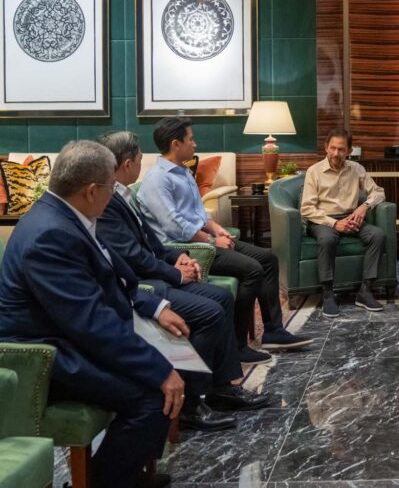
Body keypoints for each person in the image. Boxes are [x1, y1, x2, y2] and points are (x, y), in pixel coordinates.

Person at [0, 141, 186, 488]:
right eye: (111, 187)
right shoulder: (51, 235)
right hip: (44, 355)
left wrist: (153, 308)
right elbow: (90, 323)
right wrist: (159, 370)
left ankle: (126, 475)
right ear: (91, 191)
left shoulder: (67, 215)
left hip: (71, 336)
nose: (113, 195)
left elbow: (116, 279)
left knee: (169, 364)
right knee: (154, 396)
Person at [96, 131, 272, 430]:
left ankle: (222, 389)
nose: (142, 162)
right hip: (144, 284)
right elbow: (132, 256)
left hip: (157, 271)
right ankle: (190, 404)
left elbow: (150, 242)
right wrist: (175, 272)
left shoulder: (123, 194)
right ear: (127, 164)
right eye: (139, 158)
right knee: (209, 312)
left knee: (222, 297)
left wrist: (177, 257)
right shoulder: (108, 201)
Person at [136, 117, 312, 363]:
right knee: (252, 269)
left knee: (268, 258)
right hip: (186, 249)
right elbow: (174, 225)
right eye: (190, 139)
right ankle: (237, 346)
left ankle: (273, 331)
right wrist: (211, 240)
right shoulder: (158, 179)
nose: (195, 144)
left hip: (202, 239)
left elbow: (198, 213)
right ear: (176, 144)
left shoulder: (184, 171)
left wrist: (218, 229)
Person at [300, 128, 386, 316]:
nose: (336, 153)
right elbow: (307, 209)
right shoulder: (314, 171)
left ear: (349, 151)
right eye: (332, 148)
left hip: (350, 218)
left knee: (377, 235)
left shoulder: (357, 169)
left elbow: (379, 192)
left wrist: (364, 207)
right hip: (322, 220)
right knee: (327, 239)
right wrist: (334, 224)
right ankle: (328, 294)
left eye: (341, 149)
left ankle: (365, 291)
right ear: (326, 147)